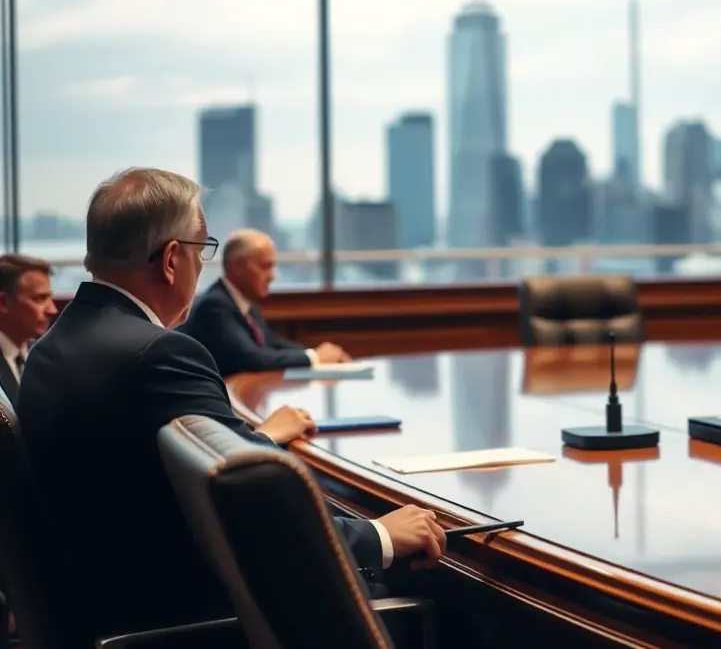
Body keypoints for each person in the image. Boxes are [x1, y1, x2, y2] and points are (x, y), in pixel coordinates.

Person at [17, 168, 445, 638]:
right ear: (172, 260)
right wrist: (380, 535)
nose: (204, 270)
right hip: (189, 618)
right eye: (204, 252)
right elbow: (259, 514)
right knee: (454, 606)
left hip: (98, 601)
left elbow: (148, 469)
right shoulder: (159, 353)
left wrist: (258, 439)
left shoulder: (51, 347)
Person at [181, 228, 350, 377]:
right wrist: (315, 357)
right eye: (265, 267)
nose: (272, 276)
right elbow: (252, 359)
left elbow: (271, 344)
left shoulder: (247, 303)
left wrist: (322, 354)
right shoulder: (215, 306)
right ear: (237, 267)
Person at [0, 254, 57, 407]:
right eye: (40, 298)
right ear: (3, 303)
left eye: (50, 298)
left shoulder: (45, 356)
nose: (52, 310)